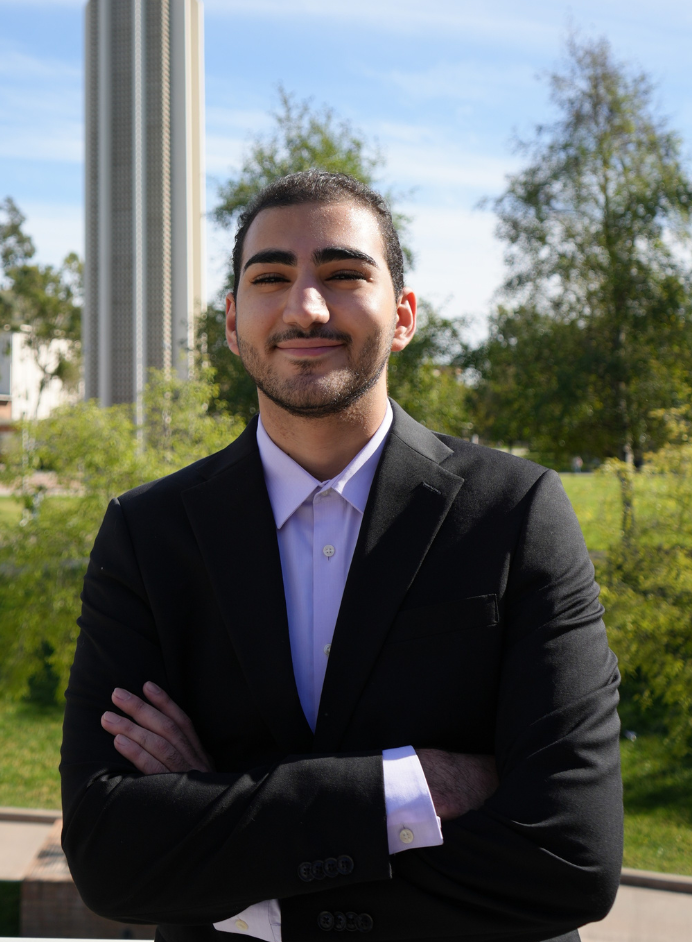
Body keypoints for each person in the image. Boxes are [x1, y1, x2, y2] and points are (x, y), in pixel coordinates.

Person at [61, 171, 622, 942]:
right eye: (271, 279)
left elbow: (570, 856)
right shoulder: (148, 533)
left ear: (403, 315)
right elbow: (109, 856)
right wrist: (407, 790)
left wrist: (223, 833)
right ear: (232, 323)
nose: (306, 307)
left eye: (343, 273)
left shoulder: (515, 513)